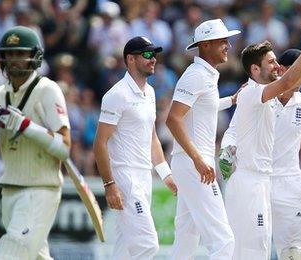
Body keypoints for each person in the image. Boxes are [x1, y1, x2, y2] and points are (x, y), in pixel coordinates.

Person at [0, 26, 70, 259]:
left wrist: (26, 127)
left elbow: (64, 147)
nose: (14, 60)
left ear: (35, 56)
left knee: (11, 253)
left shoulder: (47, 90)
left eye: (20, 54)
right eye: (9, 54)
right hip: (10, 190)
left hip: (40, 190)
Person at [219, 48, 301, 260]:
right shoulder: (262, 94)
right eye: (300, 69)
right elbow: (233, 130)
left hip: (289, 182)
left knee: (293, 252)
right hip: (258, 180)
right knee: (251, 248)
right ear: (284, 70)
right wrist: (227, 149)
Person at [93, 36, 177, 259]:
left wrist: (165, 174)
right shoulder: (116, 95)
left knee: (125, 248)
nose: (153, 59)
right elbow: (100, 142)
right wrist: (110, 184)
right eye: (147, 55)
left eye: (155, 55)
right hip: (125, 178)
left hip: (144, 176)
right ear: (130, 59)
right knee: (147, 245)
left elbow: (152, 138)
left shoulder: (149, 92)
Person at [165, 18, 240, 259]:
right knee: (224, 241)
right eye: (222, 41)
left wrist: (232, 100)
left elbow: (202, 108)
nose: (227, 45)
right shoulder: (196, 74)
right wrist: (198, 159)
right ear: (205, 45)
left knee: (186, 239)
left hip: (192, 162)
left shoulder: (205, 74)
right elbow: (173, 119)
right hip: (194, 163)